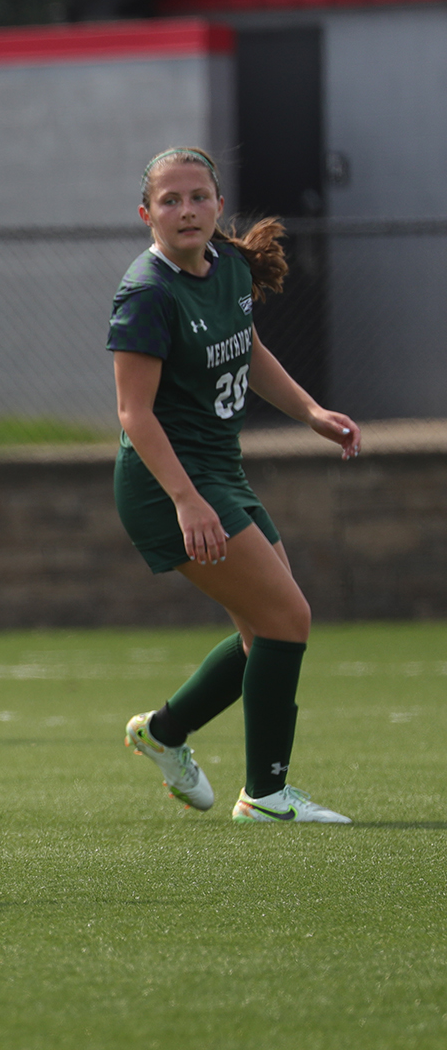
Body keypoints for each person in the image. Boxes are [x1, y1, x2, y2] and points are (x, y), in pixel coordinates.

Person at [113, 147, 358, 824]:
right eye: (169, 200)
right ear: (146, 215)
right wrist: (186, 500)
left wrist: (310, 412)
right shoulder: (147, 293)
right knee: (288, 620)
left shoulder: (227, 267)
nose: (186, 210)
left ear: (219, 205)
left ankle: (163, 733)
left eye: (198, 196)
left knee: (265, 630)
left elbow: (246, 347)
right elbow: (134, 414)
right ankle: (266, 795)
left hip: (219, 470)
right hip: (167, 484)